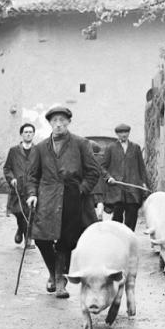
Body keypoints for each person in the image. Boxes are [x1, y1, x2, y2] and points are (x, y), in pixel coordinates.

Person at [26, 106, 100, 298]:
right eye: (55, 121)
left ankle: (60, 281)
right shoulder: (40, 148)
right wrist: (32, 194)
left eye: (62, 120)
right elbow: (32, 176)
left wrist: (81, 190)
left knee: (66, 241)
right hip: (47, 198)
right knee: (42, 238)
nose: (59, 124)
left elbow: (93, 172)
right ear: (49, 123)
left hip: (73, 198)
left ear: (68, 122)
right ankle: (53, 273)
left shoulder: (81, 144)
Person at [101, 123, 151, 232]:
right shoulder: (110, 148)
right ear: (117, 134)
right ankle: (118, 241)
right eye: (121, 133)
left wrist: (144, 183)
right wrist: (109, 178)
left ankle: (130, 240)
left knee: (132, 217)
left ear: (129, 133)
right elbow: (102, 167)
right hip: (117, 189)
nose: (123, 135)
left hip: (132, 189)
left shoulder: (136, 148)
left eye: (126, 132)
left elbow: (141, 167)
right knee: (117, 218)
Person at [3, 123, 36, 249]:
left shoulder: (37, 150)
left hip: (32, 189)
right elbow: (7, 168)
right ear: (21, 134)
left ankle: (28, 239)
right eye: (26, 132)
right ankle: (20, 229)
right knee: (18, 213)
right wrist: (11, 179)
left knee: (30, 214)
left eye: (30, 132)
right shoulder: (14, 151)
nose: (28, 134)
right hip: (17, 189)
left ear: (33, 134)